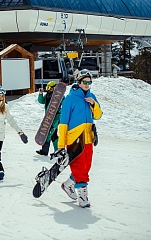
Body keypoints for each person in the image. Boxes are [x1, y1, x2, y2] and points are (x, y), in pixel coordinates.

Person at [58, 69, 102, 208]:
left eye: (89, 82)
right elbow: (63, 122)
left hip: (88, 137)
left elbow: (98, 115)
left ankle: (68, 185)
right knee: (79, 166)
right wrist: (61, 145)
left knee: (86, 166)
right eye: (85, 82)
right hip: (75, 139)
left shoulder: (92, 96)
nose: (87, 85)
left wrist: (93, 104)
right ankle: (83, 197)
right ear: (79, 82)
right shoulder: (70, 99)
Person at [36, 81, 63, 156]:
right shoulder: (48, 95)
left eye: (49, 88)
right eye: (47, 88)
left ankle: (44, 151)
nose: (48, 89)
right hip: (49, 118)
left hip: (55, 118)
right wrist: (40, 94)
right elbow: (41, 101)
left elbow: (63, 103)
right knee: (54, 135)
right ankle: (58, 151)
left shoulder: (58, 96)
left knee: (48, 134)